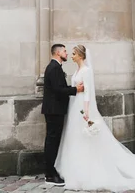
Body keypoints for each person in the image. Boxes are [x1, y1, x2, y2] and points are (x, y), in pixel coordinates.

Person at [54, 44, 135, 191]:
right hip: (74, 107)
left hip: (82, 107)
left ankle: (90, 170)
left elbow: (88, 92)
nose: (71, 56)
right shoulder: (77, 71)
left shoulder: (86, 71)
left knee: (87, 138)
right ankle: (75, 168)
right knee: (75, 137)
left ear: (80, 55)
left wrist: (87, 110)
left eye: (73, 53)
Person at [41, 44, 84, 187]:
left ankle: (51, 172)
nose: (67, 53)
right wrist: (76, 89)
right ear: (58, 52)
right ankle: (50, 174)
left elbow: (59, 88)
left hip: (55, 110)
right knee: (52, 141)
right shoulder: (53, 68)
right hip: (54, 110)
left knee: (53, 141)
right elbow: (58, 89)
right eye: (65, 51)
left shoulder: (55, 67)